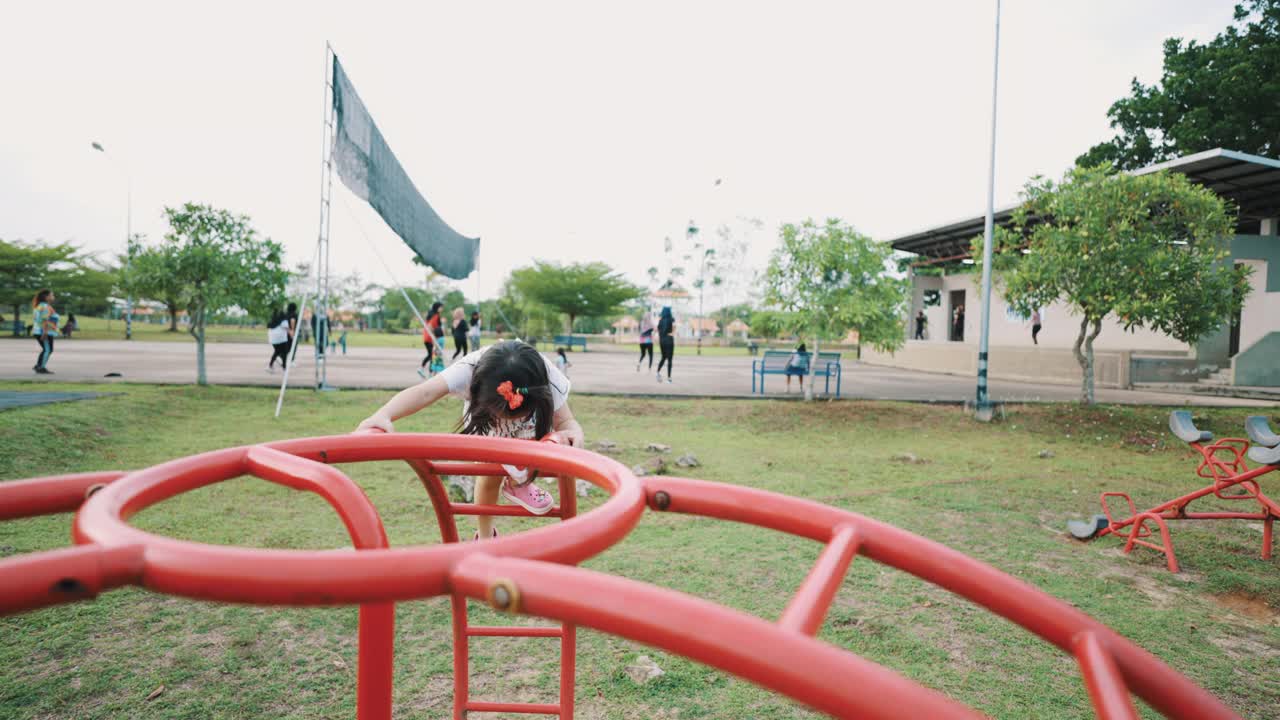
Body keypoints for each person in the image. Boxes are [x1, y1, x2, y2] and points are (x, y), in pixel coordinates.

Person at [356, 340, 584, 540]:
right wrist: (383, 415)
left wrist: (573, 434)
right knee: (488, 473)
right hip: (484, 424)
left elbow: (567, 423)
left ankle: (519, 481)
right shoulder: (468, 370)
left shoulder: (545, 380)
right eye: (501, 412)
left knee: (541, 446)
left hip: (531, 427)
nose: (507, 418)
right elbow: (425, 392)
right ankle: (485, 536)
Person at [31, 289, 59, 374]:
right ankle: (40, 367)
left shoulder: (41, 306)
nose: (53, 297)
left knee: (46, 349)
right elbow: (45, 320)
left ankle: (38, 365)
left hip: (40, 331)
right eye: (52, 295)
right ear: (46, 297)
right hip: (43, 332)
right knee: (48, 349)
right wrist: (45, 332)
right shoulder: (45, 307)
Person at [266, 308, 292, 372]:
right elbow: (287, 329)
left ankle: (271, 365)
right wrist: (292, 335)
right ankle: (284, 367)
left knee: (277, 351)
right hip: (281, 339)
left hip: (273, 339)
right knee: (284, 352)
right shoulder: (284, 321)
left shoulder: (272, 320)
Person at [655, 306, 675, 383]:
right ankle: (669, 378)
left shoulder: (660, 321)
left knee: (663, 357)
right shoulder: (671, 320)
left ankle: (658, 372)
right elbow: (673, 331)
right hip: (669, 340)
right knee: (670, 359)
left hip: (662, 341)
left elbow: (658, 330)